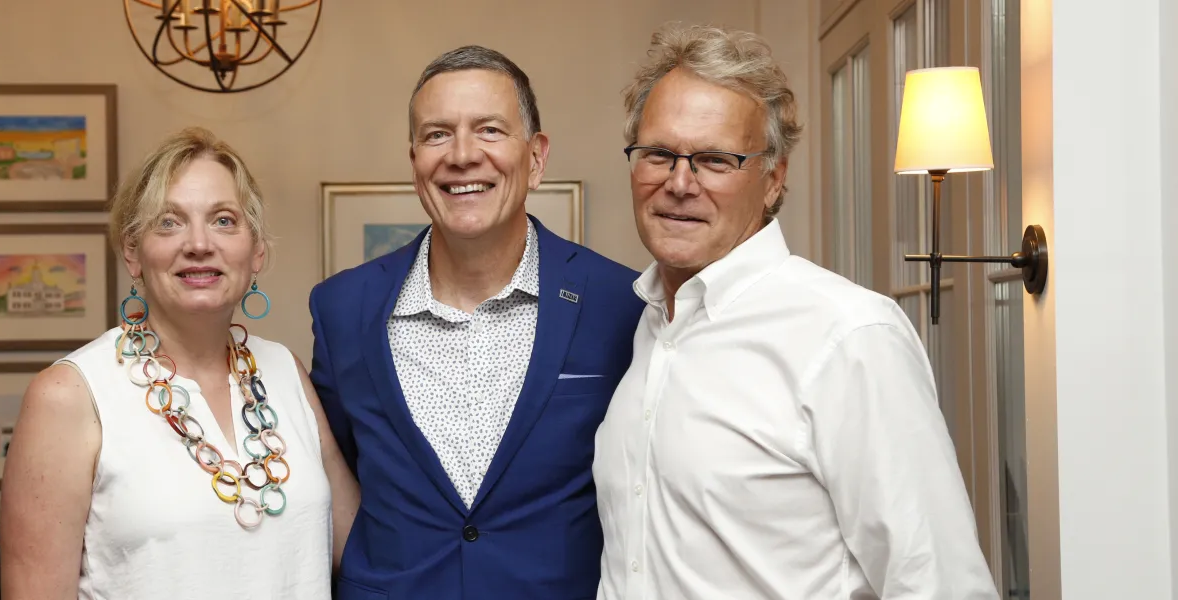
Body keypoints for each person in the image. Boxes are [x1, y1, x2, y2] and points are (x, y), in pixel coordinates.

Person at [592, 23, 999, 599]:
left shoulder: (850, 335)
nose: (679, 183)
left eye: (714, 160)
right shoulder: (649, 326)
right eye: (659, 153)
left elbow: (937, 584)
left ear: (773, 180)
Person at [308, 45, 646, 599]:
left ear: (536, 158)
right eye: (437, 134)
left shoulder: (620, 302)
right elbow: (334, 483)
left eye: (489, 130)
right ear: (414, 159)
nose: (462, 155)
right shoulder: (343, 308)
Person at [0, 127, 359, 599]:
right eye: (169, 222)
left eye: (224, 220)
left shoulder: (285, 372)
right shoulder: (70, 395)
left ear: (256, 252)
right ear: (133, 252)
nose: (198, 243)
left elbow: (362, 550)